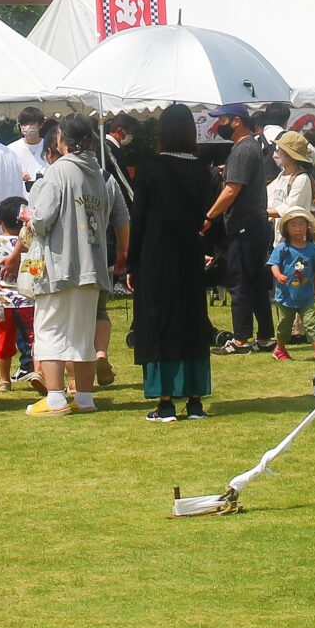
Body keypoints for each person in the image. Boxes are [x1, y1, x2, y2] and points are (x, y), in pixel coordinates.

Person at [23, 113, 128, 417]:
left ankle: (55, 398)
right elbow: (117, 217)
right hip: (93, 264)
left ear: (62, 139)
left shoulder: (58, 171)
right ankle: (84, 397)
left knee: (49, 330)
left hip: (60, 264)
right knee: (83, 334)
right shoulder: (100, 173)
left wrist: (31, 217)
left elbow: (43, 219)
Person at [123, 104, 219, 422]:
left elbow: (138, 219)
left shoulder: (150, 168)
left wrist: (132, 262)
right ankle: (195, 400)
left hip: (156, 254)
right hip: (189, 252)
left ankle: (165, 402)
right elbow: (204, 216)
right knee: (192, 320)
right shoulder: (202, 170)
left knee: (159, 322)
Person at [203, 102, 286, 353]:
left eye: (223, 120)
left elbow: (232, 190)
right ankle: (265, 336)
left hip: (244, 226)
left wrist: (209, 217)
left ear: (237, 121)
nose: (219, 125)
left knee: (239, 282)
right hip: (256, 224)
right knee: (256, 281)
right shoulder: (250, 146)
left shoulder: (242, 149)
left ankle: (241, 340)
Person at [270, 207, 315, 365]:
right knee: (285, 326)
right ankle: (280, 349)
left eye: (301, 224)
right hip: (286, 297)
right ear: (286, 229)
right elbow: (273, 265)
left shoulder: (312, 249)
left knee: (311, 323)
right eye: (293, 225)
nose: (298, 228)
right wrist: (278, 275)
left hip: (306, 296)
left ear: (307, 228)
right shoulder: (283, 248)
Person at [0, 197, 36, 389]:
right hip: (27, 300)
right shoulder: (31, 243)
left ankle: (4, 380)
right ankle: (38, 372)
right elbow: (36, 269)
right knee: (34, 338)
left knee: (4, 339)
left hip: (2, 302)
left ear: (0, 220)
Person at [9, 106, 50, 187]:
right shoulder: (11, 149)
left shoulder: (49, 147)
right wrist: (18, 175)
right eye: (24, 124)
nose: (28, 127)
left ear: (40, 125)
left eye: (32, 124)